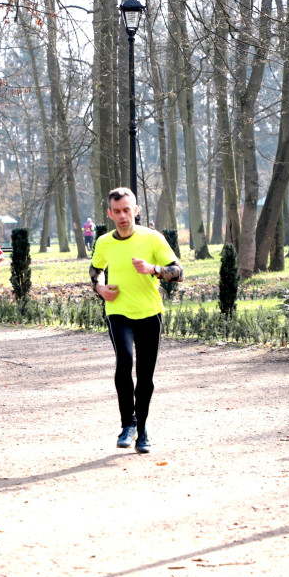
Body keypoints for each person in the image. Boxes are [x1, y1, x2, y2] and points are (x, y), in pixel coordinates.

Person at [90, 188, 182, 454]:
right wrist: (99, 287)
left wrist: (154, 269)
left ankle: (142, 430)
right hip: (118, 311)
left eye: (126, 210)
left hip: (150, 313)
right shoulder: (104, 242)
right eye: (116, 211)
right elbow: (95, 268)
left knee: (145, 375)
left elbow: (178, 272)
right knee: (124, 361)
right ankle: (127, 424)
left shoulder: (152, 239)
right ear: (110, 214)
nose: (122, 216)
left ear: (136, 211)